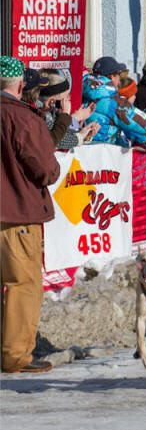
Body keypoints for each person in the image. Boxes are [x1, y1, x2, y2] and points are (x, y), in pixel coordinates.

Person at [1, 56, 61, 373]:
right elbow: (44, 168)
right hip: (16, 213)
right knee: (22, 284)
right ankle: (15, 355)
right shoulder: (22, 117)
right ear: (21, 84)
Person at [82, 56, 146, 147]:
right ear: (112, 77)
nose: (120, 79)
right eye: (119, 75)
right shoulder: (116, 103)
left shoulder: (82, 92)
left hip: (86, 153)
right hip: (105, 158)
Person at [38, 69, 99, 148]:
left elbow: (63, 132)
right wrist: (72, 117)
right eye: (65, 98)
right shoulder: (41, 114)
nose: (68, 100)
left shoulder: (47, 112)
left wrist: (85, 132)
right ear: (52, 101)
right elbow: (58, 140)